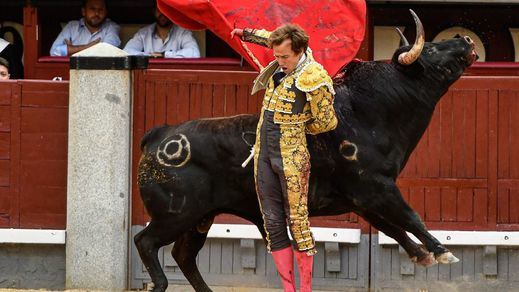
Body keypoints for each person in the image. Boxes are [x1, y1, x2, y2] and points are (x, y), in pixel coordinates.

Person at [231, 24, 337, 292]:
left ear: (300, 51)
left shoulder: (313, 75)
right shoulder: (282, 54)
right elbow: (269, 38)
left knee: (298, 223)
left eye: (285, 57)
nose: (279, 61)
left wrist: (299, 124)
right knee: (272, 222)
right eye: (276, 57)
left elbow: (327, 121)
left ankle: (306, 290)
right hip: (264, 153)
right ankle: (289, 290)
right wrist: (245, 33)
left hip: (291, 156)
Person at [123, 5, 200, 58]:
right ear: (154, 11)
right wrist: (150, 56)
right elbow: (126, 52)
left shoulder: (182, 32)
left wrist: (164, 55)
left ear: (173, 11)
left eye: (166, 9)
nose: (162, 13)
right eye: (159, 9)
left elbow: (194, 53)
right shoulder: (144, 33)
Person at [50, 0, 120, 56]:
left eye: (101, 9)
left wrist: (72, 51)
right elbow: (54, 51)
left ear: (106, 12)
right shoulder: (71, 27)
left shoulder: (111, 27)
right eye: (92, 9)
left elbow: (108, 53)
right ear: (84, 11)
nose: (96, 13)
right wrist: (86, 47)